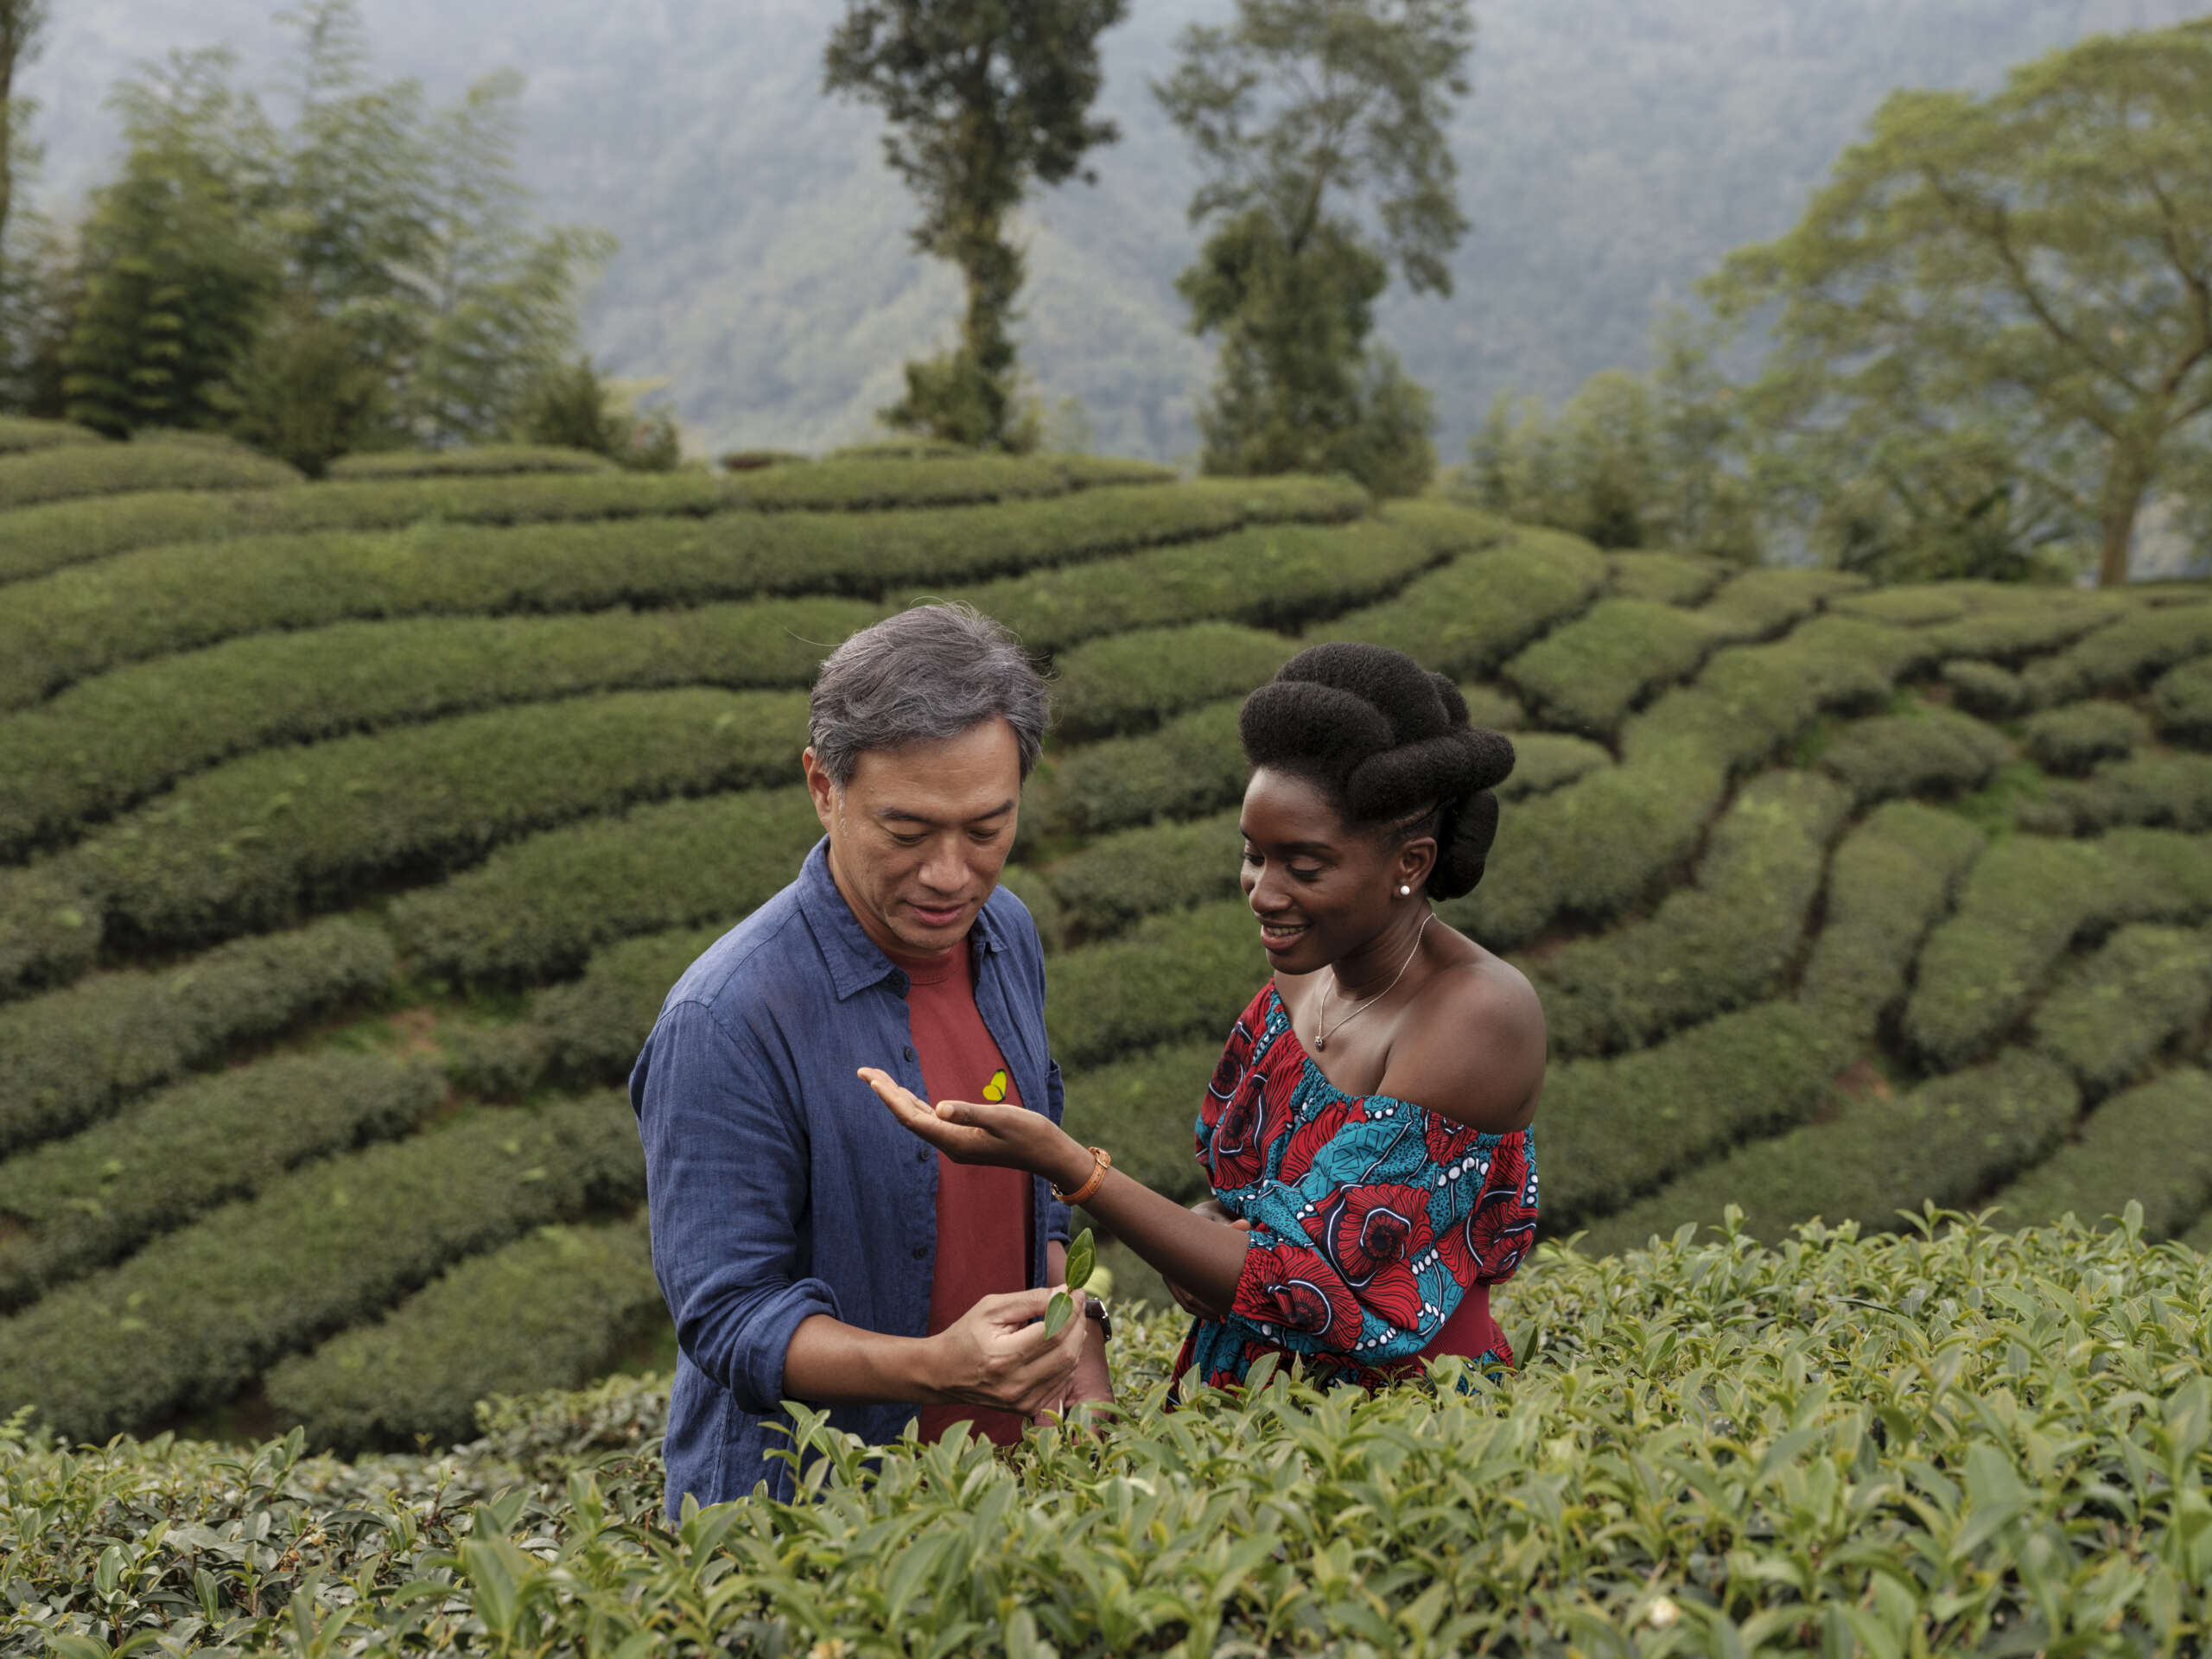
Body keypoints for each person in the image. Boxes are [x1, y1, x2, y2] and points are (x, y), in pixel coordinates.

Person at [861, 641, 1542, 1395]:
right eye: (1255, 855)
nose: (1262, 890)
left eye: (1304, 867)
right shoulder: (1307, 974)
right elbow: (1246, 1197)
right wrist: (1201, 1230)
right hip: (1245, 1406)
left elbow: (1306, 1280)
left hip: (1390, 1428)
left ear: (1409, 865)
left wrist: (1068, 1165)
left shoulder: (1479, 1015)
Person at [632, 603, 1109, 1515]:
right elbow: (729, 1319)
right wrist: (934, 1371)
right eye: (907, 831)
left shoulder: (1004, 933)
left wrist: (1070, 1330)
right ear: (823, 785)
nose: (949, 874)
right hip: (810, 1513)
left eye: (985, 829)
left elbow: (1031, 1162)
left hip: (1002, 1489)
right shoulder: (727, 1018)